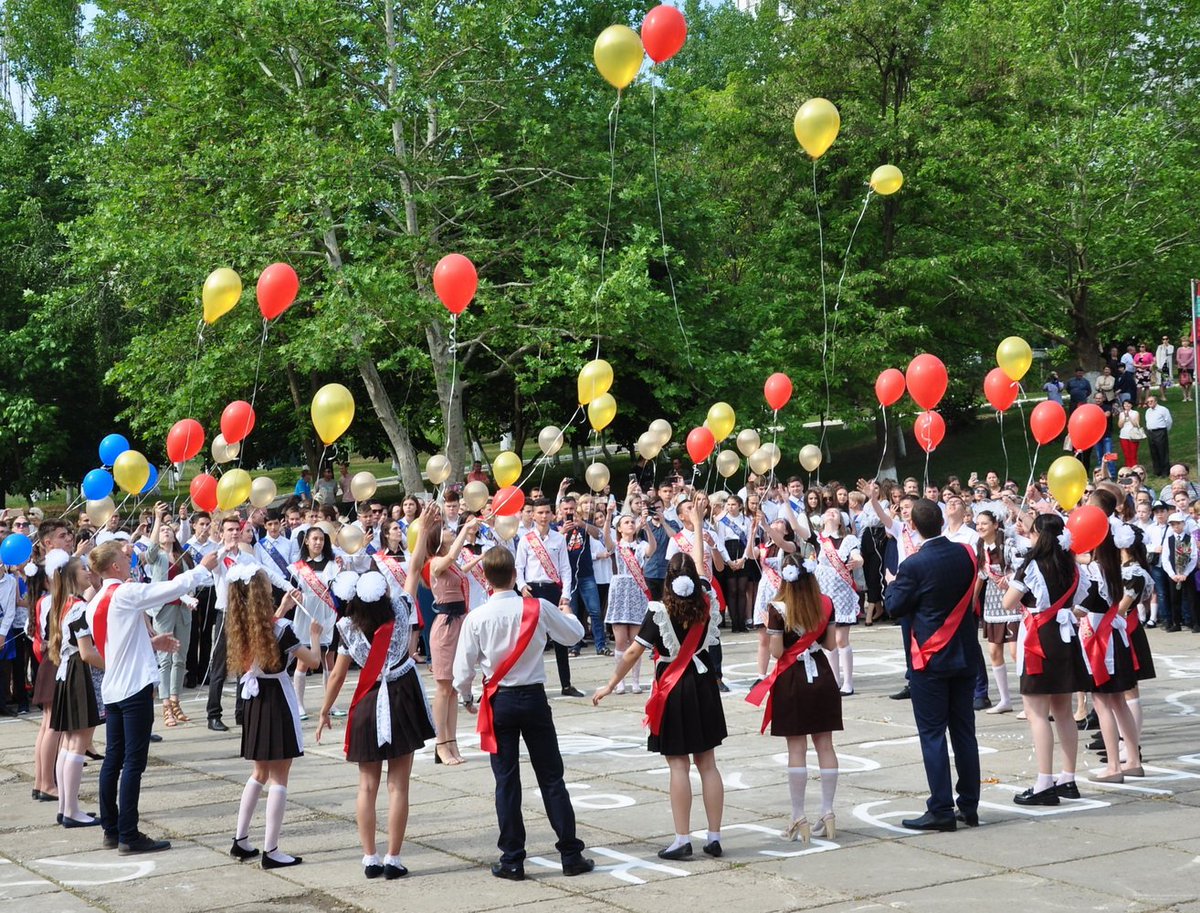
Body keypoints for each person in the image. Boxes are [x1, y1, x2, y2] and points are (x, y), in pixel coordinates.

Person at [454, 547, 594, 881]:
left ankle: (513, 859)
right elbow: (573, 635)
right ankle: (571, 854)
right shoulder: (538, 607)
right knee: (551, 778)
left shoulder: (477, 616)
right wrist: (567, 610)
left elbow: (462, 671)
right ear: (515, 575)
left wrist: (466, 697)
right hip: (533, 698)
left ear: (485, 579)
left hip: (499, 701)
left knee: (506, 782)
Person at [318, 511, 435, 880]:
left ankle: (369, 857)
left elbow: (337, 674)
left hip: (368, 701)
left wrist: (324, 710)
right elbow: (414, 569)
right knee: (398, 783)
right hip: (402, 697)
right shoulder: (400, 610)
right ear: (382, 591)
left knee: (366, 785)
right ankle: (393, 858)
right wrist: (427, 529)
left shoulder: (346, 627)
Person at [85, 540, 218, 853]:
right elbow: (168, 589)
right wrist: (202, 569)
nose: (128, 557)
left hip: (115, 687)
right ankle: (129, 833)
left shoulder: (96, 602)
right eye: (123, 556)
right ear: (114, 566)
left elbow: (118, 641)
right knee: (133, 762)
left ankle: (112, 828)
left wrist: (151, 643)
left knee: (114, 760)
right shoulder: (125, 593)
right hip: (133, 688)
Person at [594, 549, 726, 860]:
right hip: (704, 682)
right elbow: (698, 557)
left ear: (668, 579)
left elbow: (631, 653)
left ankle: (682, 839)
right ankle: (715, 836)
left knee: (678, 764)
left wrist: (611, 684)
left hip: (675, 687)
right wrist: (695, 524)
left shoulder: (659, 611)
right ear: (694, 577)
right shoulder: (707, 600)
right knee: (707, 763)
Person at [883, 499, 981, 831]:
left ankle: (940, 807)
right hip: (965, 653)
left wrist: (891, 584)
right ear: (941, 522)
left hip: (930, 657)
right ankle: (969, 805)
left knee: (933, 734)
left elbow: (895, 606)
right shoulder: (967, 553)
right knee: (965, 732)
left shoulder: (913, 564)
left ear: (913, 527)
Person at [226, 565, 321, 869]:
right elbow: (314, 661)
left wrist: (282, 608)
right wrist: (316, 636)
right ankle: (272, 849)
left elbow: (265, 630)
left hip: (254, 701)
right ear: (260, 591)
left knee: (259, 773)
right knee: (280, 776)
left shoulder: (241, 623)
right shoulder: (284, 630)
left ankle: (240, 839)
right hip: (277, 699)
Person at [748, 553, 841, 844]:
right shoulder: (825, 603)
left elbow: (776, 653)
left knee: (797, 748)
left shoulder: (777, 608)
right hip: (822, 676)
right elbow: (829, 644)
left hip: (792, 678)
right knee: (825, 744)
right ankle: (827, 812)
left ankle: (798, 815)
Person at [1000, 513, 1087, 805]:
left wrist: (1010, 586)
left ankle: (1044, 783)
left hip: (1041, 636)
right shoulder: (1072, 567)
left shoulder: (1032, 566)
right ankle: (1068, 777)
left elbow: (1008, 602)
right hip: (1066, 638)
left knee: (1038, 713)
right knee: (1062, 711)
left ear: (1040, 535)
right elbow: (1081, 601)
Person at [48, 554, 102, 827]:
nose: (88, 571)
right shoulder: (79, 608)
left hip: (66, 674)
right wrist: (111, 666)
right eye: (83, 569)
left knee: (69, 743)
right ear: (72, 577)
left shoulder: (63, 604)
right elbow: (86, 652)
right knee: (78, 744)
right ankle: (71, 810)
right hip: (78, 675)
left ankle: (65, 807)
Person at [426, 509, 482, 765]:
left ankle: (452, 742)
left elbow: (460, 566)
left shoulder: (451, 562)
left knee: (453, 689)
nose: (450, 530)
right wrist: (464, 529)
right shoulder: (434, 562)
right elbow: (450, 557)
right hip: (446, 626)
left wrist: (481, 557)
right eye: (446, 530)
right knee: (443, 686)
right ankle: (441, 743)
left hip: (458, 622)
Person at [515, 498, 583, 697]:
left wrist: (565, 594)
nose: (544, 516)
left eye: (547, 512)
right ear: (533, 515)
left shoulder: (558, 538)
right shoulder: (526, 539)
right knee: (532, 639)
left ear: (553, 514)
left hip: (553, 589)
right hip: (533, 590)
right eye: (540, 513)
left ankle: (566, 684)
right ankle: (532, 684)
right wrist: (522, 586)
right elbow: (519, 568)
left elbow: (565, 569)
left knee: (560, 637)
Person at [141, 504, 195, 728]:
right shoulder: (157, 556)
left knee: (180, 657)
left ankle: (175, 700)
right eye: (162, 530)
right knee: (165, 659)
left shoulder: (182, 555)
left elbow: (190, 579)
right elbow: (150, 551)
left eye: (168, 529)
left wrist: (190, 597)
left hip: (182, 610)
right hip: (164, 610)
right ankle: (165, 705)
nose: (166, 532)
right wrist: (156, 519)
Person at [287, 526, 340, 720]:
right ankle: (299, 705)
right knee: (303, 661)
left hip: (328, 615)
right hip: (306, 615)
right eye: (314, 539)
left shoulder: (333, 565)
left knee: (329, 660)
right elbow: (291, 590)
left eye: (321, 539)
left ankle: (330, 703)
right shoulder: (297, 567)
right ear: (306, 541)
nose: (318, 543)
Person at [605, 511, 657, 694]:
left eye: (632, 522)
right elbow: (607, 540)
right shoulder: (618, 546)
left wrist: (647, 527)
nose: (630, 525)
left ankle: (635, 680)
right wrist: (609, 515)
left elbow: (653, 549)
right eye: (626, 522)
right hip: (620, 589)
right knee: (620, 641)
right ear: (619, 528)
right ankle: (620, 681)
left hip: (637, 589)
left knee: (636, 639)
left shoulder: (641, 545)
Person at [974, 511, 1018, 714]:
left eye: (984, 523)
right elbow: (981, 576)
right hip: (992, 600)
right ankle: (1005, 699)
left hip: (1013, 599)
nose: (980, 527)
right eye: (978, 524)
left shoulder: (1008, 544)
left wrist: (1008, 579)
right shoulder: (981, 546)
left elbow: (1021, 567)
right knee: (994, 651)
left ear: (994, 525)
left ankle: (1030, 700)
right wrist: (972, 601)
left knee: (1016, 652)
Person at [1160, 512, 1195, 632]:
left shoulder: (1189, 538)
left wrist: (1186, 573)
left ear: (1183, 524)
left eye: (1178, 524)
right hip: (1174, 574)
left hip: (1187, 574)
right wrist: (1172, 574)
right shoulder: (1169, 540)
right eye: (1173, 524)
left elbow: (1193, 557)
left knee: (1191, 598)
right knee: (1174, 599)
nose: (1176, 526)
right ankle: (1176, 622)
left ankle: (1195, 622)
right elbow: (1165, 558)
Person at [1144, 395, 1173, 477]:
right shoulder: (1148, 411)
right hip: (1151, 432)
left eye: (1151, 401)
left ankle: (1165, 471)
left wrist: (1164, 431)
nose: (1149, 403)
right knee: (1154, 452)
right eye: (1148, 402)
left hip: (1160, 431)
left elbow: (1169, 421)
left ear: (1156, 401)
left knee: (1162, 451)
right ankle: (1157, 470)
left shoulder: (1163, 409)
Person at [1116, 400, 1145, 468]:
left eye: (1128, 404)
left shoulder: (1135, 413)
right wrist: (1124, 418)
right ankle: (1128, 468)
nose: (1127, 405)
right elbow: (1120, 426)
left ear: (1131, 405)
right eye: (1125, 404)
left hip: (1133, 435)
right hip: (1123, 436)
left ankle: (1134, 468)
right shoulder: (1121, 414)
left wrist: (1129, 417)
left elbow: (1136, 425)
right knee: (1126, 454)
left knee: (1133, 454)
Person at [1176, 335, 1194, 402]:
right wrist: (1182, 364)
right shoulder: (1179, 349)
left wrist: (1186, 364)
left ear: (1188, 342)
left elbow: (1192, 357)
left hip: (1190, 367)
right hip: (1181, 367)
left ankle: (1189, 396)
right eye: (1183, 341)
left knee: (1189, 382)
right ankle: (1184, 397)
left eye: (1186, 341)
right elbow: (1178, 358)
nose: (1184, 343)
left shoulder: (1192, 349)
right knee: (1182, 382)